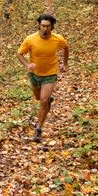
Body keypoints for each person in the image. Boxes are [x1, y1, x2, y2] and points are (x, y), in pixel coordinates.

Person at [17, 14, 69, 142]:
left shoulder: (58, 39)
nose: (45, 29)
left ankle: (38, 129)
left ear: (52, 27)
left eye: (48, 26)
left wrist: (65, 63)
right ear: (38, 26)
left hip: (50, 74)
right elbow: (19, 54)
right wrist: (27, 64)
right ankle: (46, 101)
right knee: (38, 97)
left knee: (43, 101)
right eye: (43, 26)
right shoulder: (30, 39)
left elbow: (66, 47)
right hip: (35, 74)